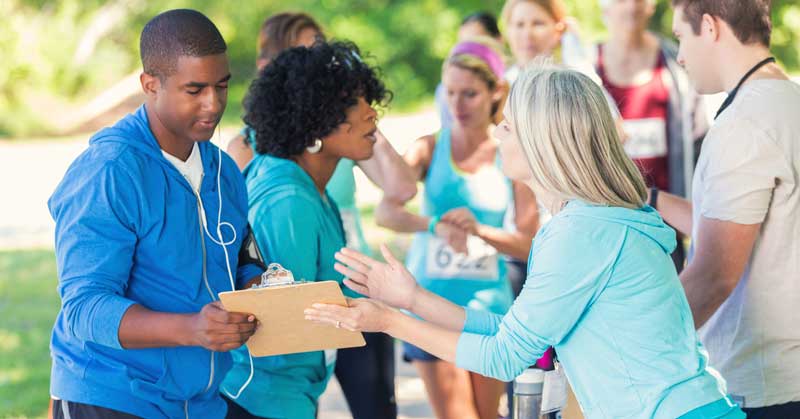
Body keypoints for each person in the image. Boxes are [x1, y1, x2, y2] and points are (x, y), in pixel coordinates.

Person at [306, 64, 746, 419]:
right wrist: (413, 299)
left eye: (509, 126)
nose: (497, 134)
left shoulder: (581, 233)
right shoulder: (594, 221)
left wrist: (389, 321)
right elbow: (514, 331)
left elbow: (503, 357)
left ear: (543, 142)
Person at [47, 9, 263, 418]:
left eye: (221, 86)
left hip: (196, 400)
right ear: (150, 84)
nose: (213, 104)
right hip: (111, 394)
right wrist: (192, 329)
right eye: (194, 89)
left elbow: (241, 257)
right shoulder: (110, 172)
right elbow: (84, 309)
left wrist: (263, 288)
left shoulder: (223, 170)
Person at [225, 12, 412, 419]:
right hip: (264, 401)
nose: (371, 113)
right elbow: (280, 321)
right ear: (315, 116)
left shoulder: (307, 185)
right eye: (354, 102)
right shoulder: (289, 199)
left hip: (288, 397)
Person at [375, 38, 538, 419]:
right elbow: (386, 212)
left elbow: (529, 245)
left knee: (488, 415)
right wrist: (435, 225)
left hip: (487, 309)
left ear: (495, 92)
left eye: (470, 94)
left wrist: (480, 230)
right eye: (450, 93)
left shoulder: (510, 152)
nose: (458, 105)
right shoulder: (429, 147)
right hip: (429, 303)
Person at [651, 0, 800, 416]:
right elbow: (732, 226)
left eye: (681, 36)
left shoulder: (744, 122)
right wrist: (649, 199)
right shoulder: (788, 101)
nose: (679, 55)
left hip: (762, 388)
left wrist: (634, 342)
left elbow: (714, 274)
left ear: (711, 28)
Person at [593, 0, 710, 272]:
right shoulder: (585, 67)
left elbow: (699, 143)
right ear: (605, 7)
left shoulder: (676, 63)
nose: (631, 6)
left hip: (666, 230)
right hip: (604, 228)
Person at [436, 12, 504, 130]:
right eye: (463, 43)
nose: (469, 51)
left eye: (476, 41)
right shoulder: (443, 91)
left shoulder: (515, 85)